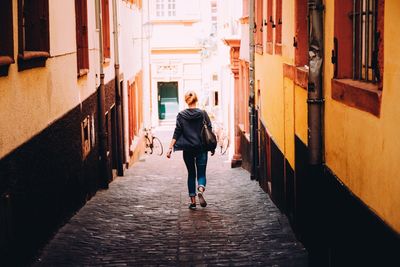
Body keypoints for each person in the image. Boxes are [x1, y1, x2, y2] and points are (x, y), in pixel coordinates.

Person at [166, 90, 214, 210]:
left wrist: (170, 147)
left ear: (186, 101)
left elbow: (177, 132)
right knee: (201, 173)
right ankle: (201, 189)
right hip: (201, 148)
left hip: (187, 149)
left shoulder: (181, 115)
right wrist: (212, 147)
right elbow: (209, 130)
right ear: (196, 100)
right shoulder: (203, 114)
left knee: (191, 174)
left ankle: (193, 202)